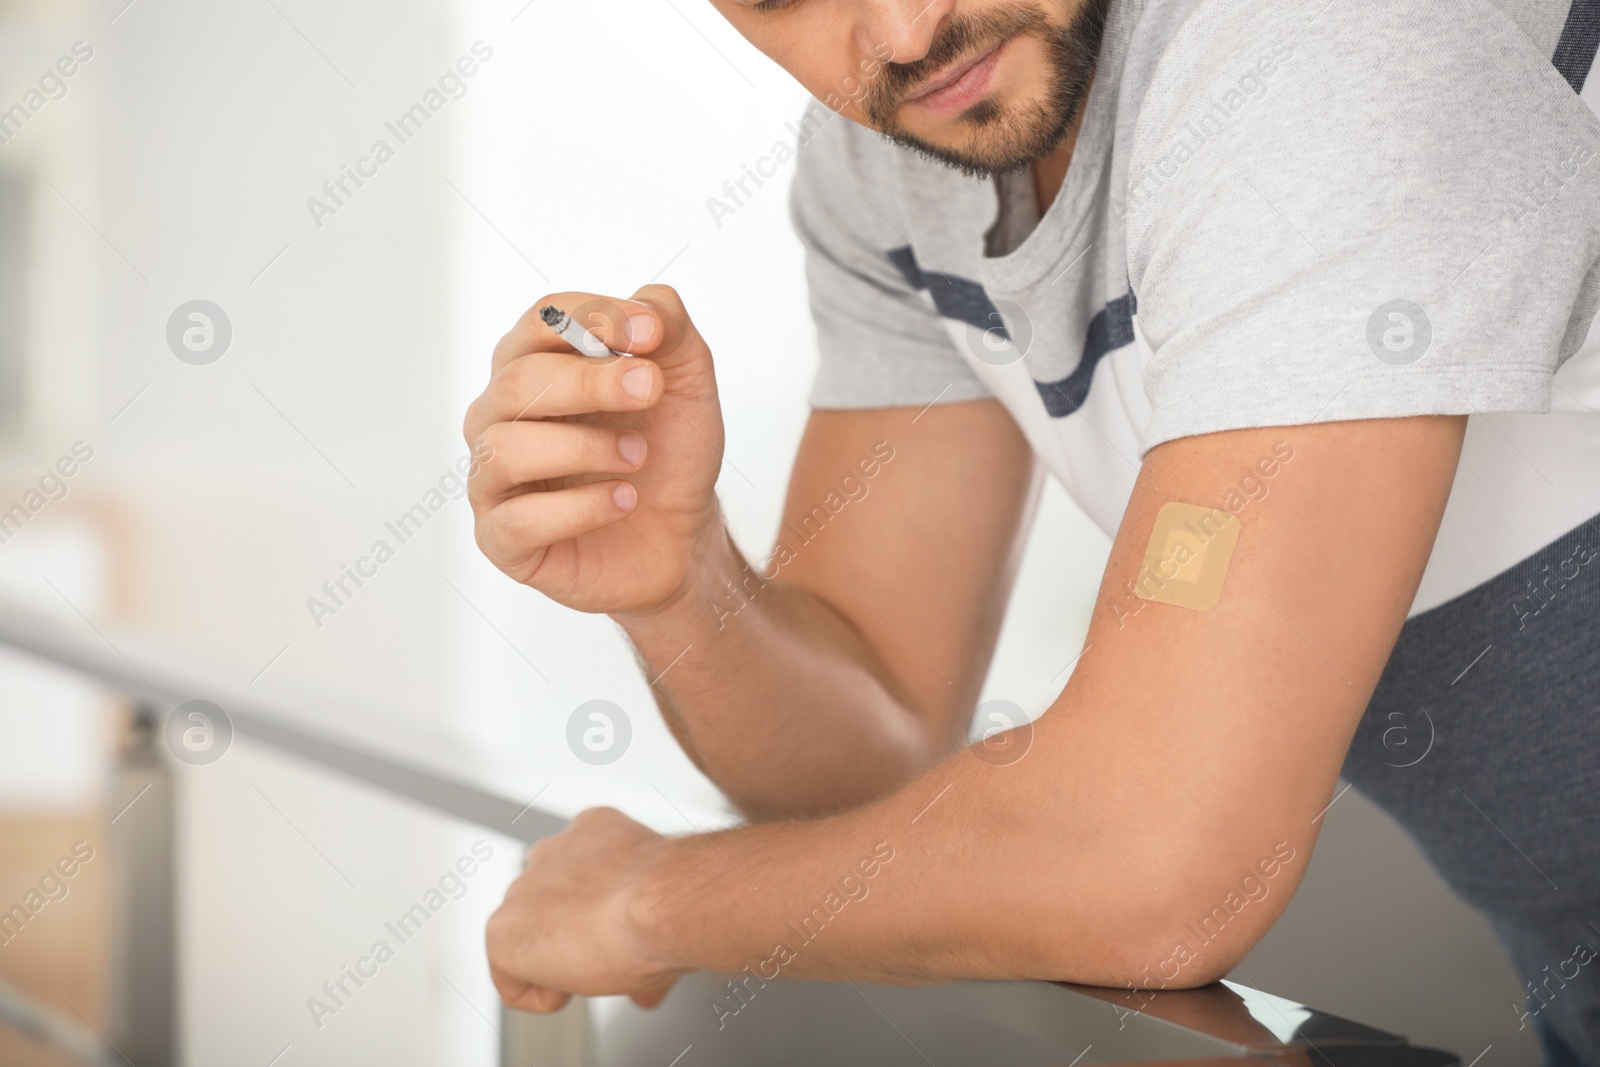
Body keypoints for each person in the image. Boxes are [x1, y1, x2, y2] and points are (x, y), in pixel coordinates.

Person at [462, 0, 1600, 1060]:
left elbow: (1150, 871)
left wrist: (649, 901)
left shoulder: (1319, 44)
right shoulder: (897, 156)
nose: (905, 32)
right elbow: (865, 764)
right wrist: (682, 583)